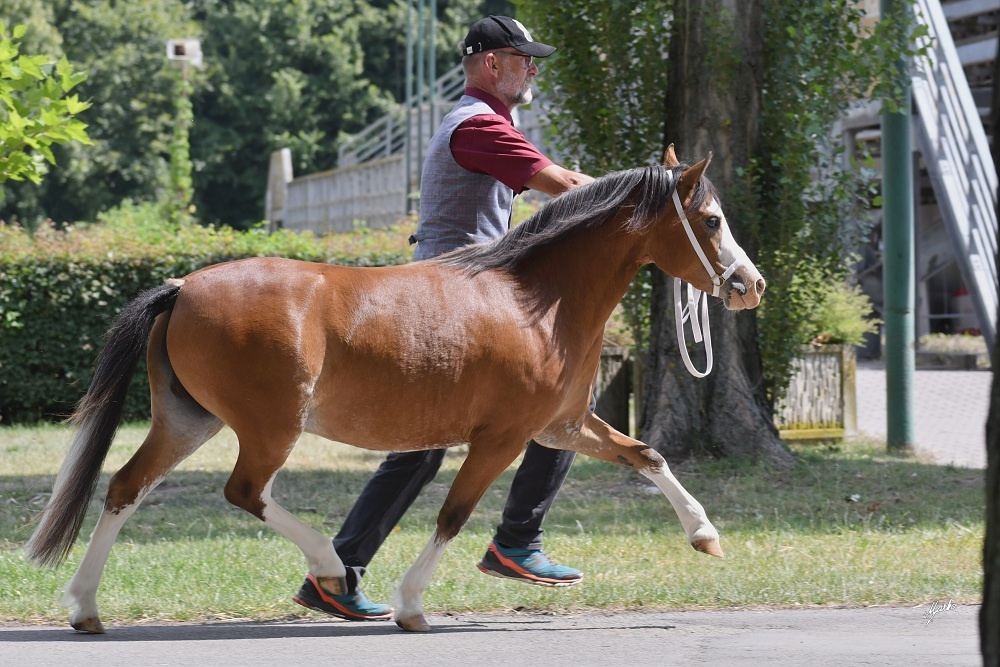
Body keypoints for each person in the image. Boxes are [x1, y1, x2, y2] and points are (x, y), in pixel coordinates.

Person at [292, 15, 595, 621]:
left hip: (457, 293)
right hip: (450, 301)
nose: (534, 67)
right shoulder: (481, 125)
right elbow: (565, 186)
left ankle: (340, 575)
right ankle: (515, 543)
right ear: (490, 64)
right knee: (557, 404)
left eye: (534, 58)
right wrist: (651, 191)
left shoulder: (490, 122)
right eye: (523, 57)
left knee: (422, 448)